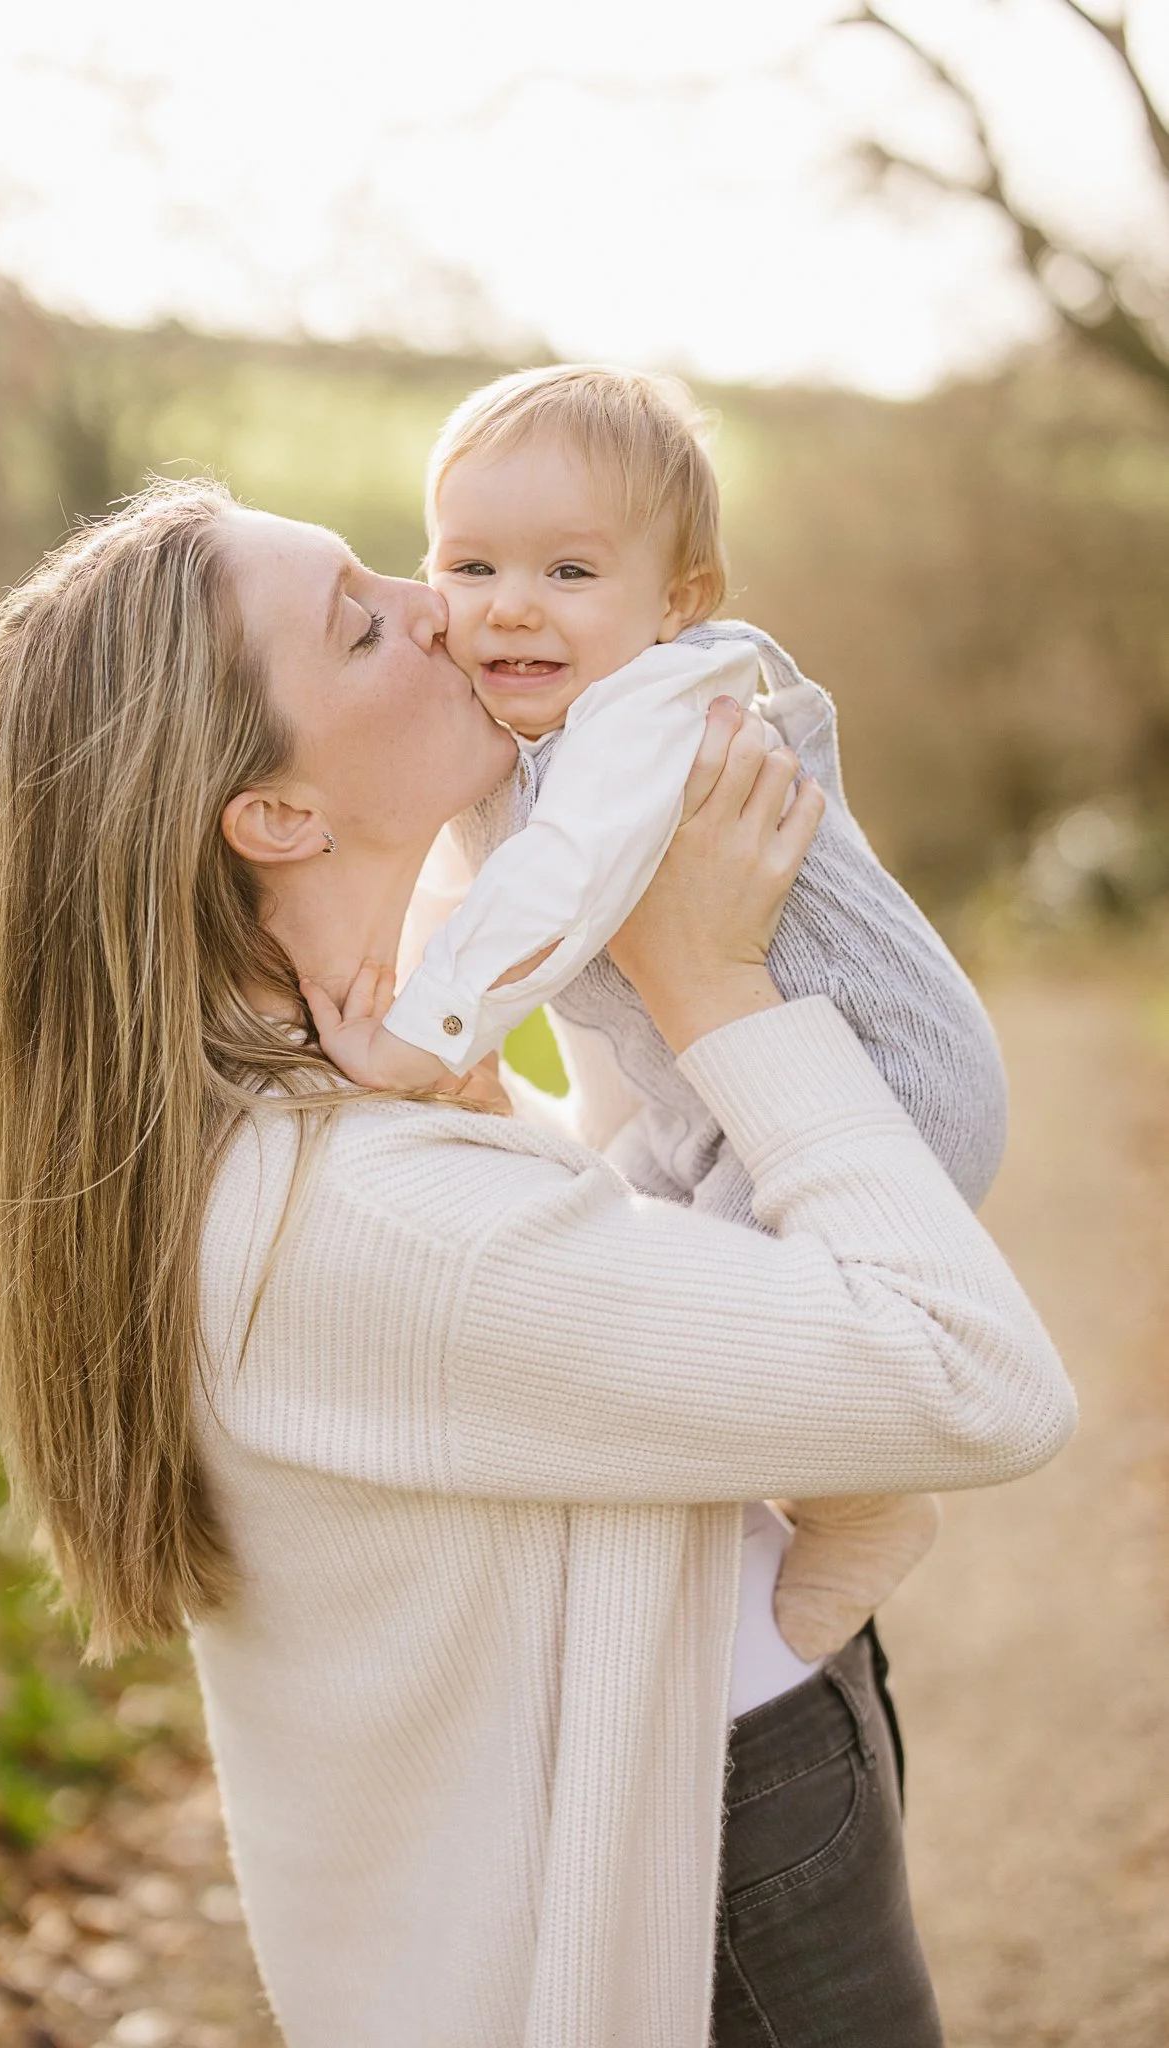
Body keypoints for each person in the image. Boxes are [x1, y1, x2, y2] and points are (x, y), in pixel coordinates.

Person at [0, 476, 1075, 2048]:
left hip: (717, 1761)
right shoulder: (367, 1216)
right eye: (359, 622)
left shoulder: (310, 1106)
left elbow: (597, 1281)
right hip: (714, 1870)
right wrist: (716, 988)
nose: (435, 603)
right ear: (275, 814)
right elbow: (980, 1377)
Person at [307, 364, 997, 1666]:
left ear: (677, 601)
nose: (511, 605)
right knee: (612, 1239)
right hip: (719, 1106)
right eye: (471, 565)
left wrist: (420, 1039)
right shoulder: (522, 729)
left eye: (571, 573)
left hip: (884, 1078)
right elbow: (472, 878)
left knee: (737, 1316)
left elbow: (558, 875)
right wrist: (403, 989)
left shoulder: (660, 707)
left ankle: (865, 1497)